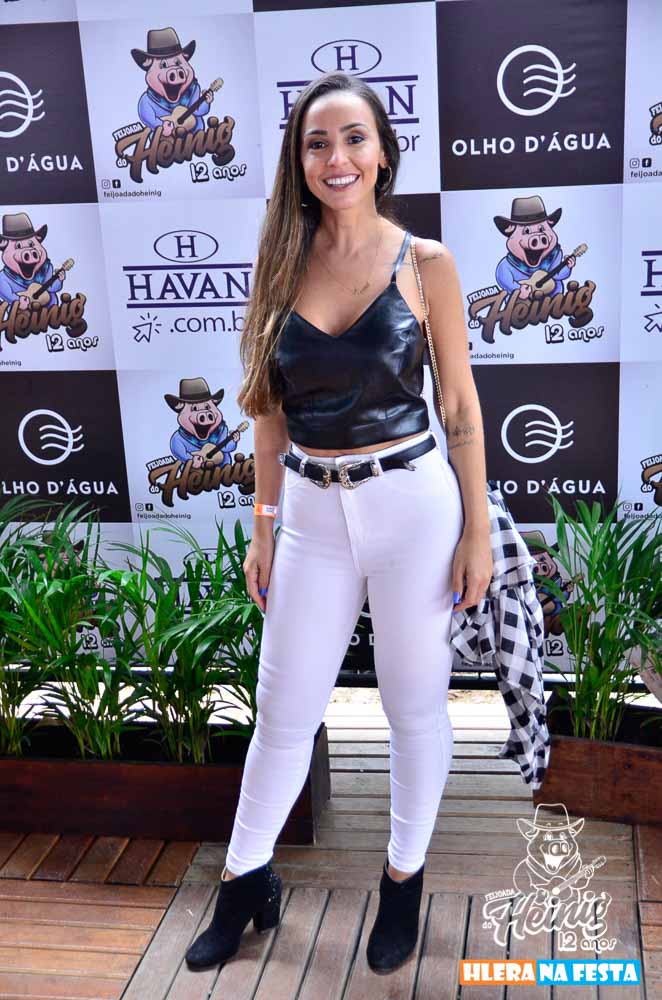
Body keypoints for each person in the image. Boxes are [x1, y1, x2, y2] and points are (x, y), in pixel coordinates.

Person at [185, 70, 493, 975]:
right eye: (317, 143)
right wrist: (263, 524)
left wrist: (477, 531)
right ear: (300, 160)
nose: (337, 158)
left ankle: (402, 882)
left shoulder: (426, 264)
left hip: (414, 508)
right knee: (283, 709)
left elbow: (461, 407)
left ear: (383, 153)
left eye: (354, 138)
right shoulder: (278, 262)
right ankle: (244, 882)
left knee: (412, 705)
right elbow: (265, 411)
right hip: (312, 512)